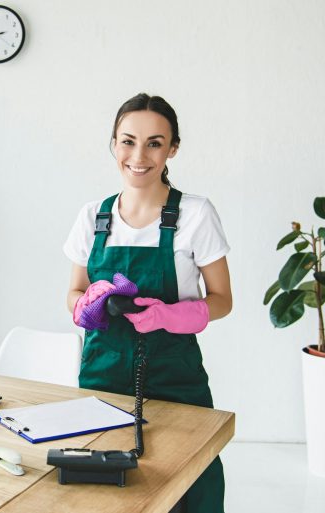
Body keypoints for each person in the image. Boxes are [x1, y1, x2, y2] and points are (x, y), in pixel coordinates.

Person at [64, 93, 232, 513]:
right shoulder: (93, 216)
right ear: (113, 144)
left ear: (172, 148)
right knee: (105, 489)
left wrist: (172, 314)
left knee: (190, 481)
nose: (139, 155)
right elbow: (72, 292)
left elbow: (223, 300)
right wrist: (87, 305)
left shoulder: (194, 214)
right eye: (128, 141)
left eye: (155, 143)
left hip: (176, 377)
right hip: (103, 376)